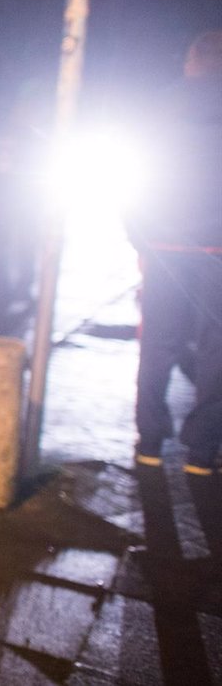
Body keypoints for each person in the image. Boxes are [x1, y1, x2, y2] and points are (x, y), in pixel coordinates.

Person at [126, 30, 222, 475]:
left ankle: (149, 441)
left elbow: (133, 183)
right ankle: (201, 452)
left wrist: (141, 240)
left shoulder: (158, 108)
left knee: (157, 346)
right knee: (216, 349)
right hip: (218, 249)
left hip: (164, 246)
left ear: (190, 62)